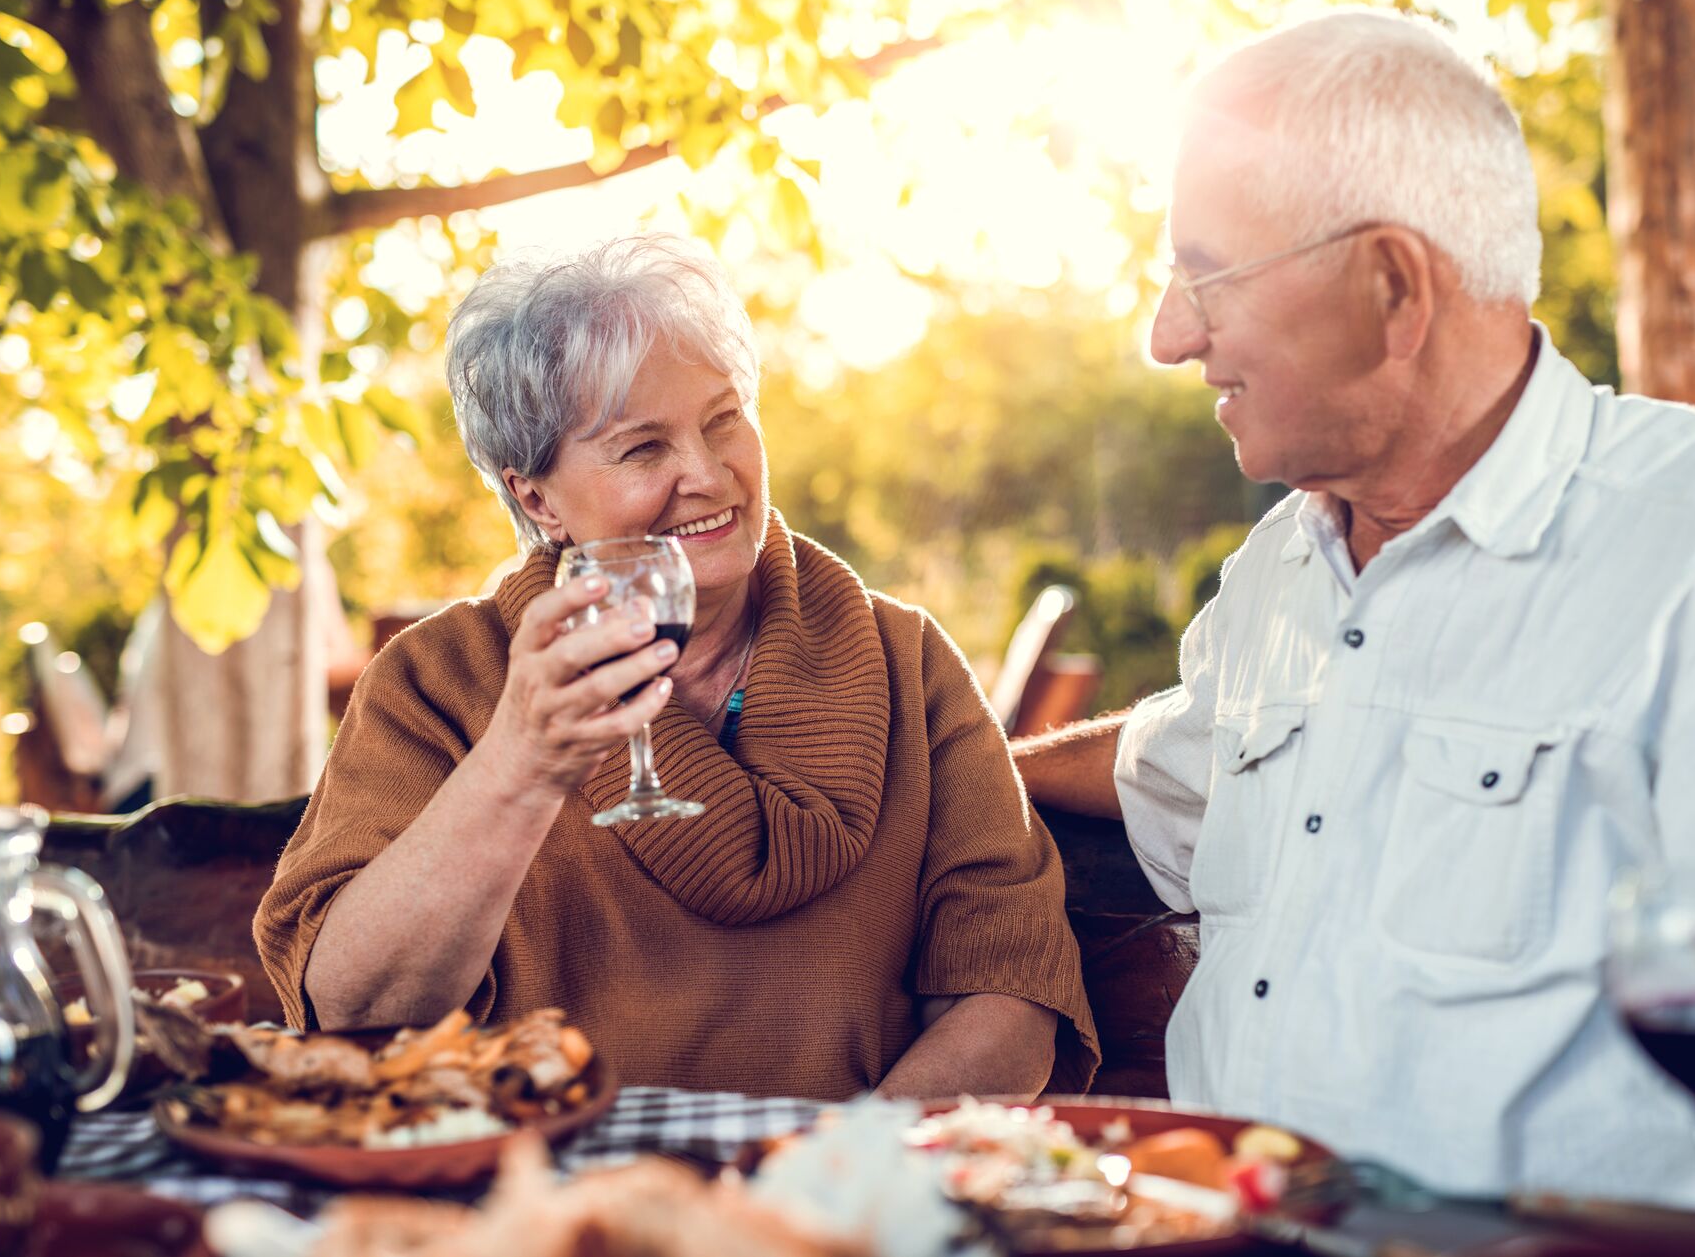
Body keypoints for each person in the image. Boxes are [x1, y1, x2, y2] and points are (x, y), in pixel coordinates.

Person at [1013, 8, 1695, 1214]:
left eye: (1204, 276)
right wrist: (949, 766)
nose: (1168, 336)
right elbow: (1178, 759)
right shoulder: (1279, 572)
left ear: (1392, 287)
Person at [255, 234, 1098, 1101]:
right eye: (643, 447)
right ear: (536, 498)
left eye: (723, 419)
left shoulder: (908, 664)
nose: (706, 473)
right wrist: (520, 763)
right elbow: (352, 1007)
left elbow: (1010, 999)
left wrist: (828, 1186)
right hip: (536, 1206)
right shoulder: (438, 683)